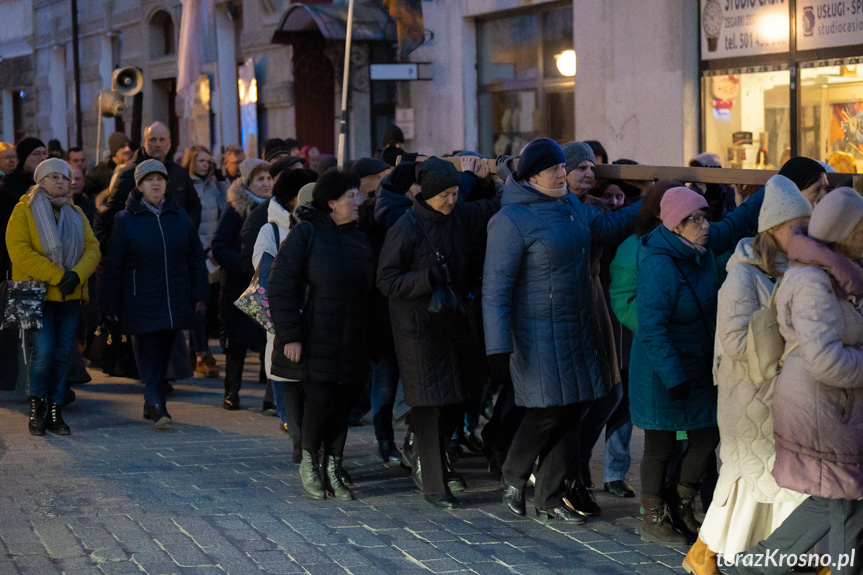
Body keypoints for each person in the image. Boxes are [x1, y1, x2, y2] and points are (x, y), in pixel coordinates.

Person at [482, 138, 640, 522]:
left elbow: (608, 225)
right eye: (554, 168)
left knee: (575, 409)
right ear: (534, 175)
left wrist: (651, 204)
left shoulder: (570, 206)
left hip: (578, 326)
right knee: (546, 409)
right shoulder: (510, 219)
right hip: (536, 334)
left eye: (560, 166)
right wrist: (497, 348)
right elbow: (495, 288)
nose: (561, 173)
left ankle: (549, 496)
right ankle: (514, 471)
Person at [683, 175, 813, 574]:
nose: (805, 235)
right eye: (797, 228)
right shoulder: (741, 276)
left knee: (777, 483)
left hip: (779, 394)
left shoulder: (794, 269)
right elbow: (735, 341)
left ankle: (801, 556)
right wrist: (786, 334)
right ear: (773, 230)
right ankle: (705, 554)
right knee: (745, 481)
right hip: (746, 397)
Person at [735, 187, 863, 575]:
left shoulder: (840, 273)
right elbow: (825, 360)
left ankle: (756, 564)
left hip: (835, 405)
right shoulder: (812, 283)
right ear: (847, 232)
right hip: (821, 407)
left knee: (843, 498)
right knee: (846, 499)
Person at [631, 183, 763, 547]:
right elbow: (653, 328)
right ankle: (654, 518)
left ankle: (682, 502)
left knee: (708, 435)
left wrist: (777, 187)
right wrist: (673, 377)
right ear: (676, 225)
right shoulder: (658, 264)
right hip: (662, 370)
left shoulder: (698, 247)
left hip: (697, 363)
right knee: (660, 446)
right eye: (697, 220)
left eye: (705, 217)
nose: (706, 225)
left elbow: (736, 223)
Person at [378, 157, 500, 509]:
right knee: (430, 406)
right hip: (419, 329)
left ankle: (426, 457)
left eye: (455, 192)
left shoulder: (459, 215)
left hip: (455, 324)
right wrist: (427, 277)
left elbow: (491, 208)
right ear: (429, 194)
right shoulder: (405, 228)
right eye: (446, 194)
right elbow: (385, 279)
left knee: (456, 399)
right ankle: (435, 485)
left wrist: (496, 183)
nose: (452, 199)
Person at [268, 170, 373, 501]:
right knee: (320, 403)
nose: (357, 202)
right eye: (350, 197)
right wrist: (290, 336)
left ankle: (334, 466)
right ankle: (310, 463)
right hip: (316, 336)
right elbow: (281, 285)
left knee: (343, 407)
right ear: (331, 203)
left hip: (353, 337)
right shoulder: (307, 234)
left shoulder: (361, 239)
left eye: (357, 195)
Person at [102, 159, 208, 429]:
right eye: (149, 179)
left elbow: (195, 257)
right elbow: (114, 265)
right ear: (139, 186)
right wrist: (110, 305)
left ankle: (152, 402)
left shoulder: (179, 215)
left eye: (160, 178)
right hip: (139, 298)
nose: (156, 183)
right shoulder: (126, 220)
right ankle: (158, 404)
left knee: (163, 351)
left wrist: (199, 293)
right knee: (148, 350)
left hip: (174, 297)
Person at [5, 158, 100, 435]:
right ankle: (37, 406)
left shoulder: (76, 213)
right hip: (34, 294)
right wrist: (61, 276)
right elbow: (20, 251)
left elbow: (93, 249)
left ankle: (56, 409)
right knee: (43, 352)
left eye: (64, 177)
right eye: (53, 177)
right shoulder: (23, 210)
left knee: (61, 355)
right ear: (40, 181)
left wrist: (77, 275)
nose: (60, 182)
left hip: (69, 296)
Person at [252, 168, 317, 454]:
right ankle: (295, 434)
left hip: (316, 317)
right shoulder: (271, 230)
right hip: (284, 317)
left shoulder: (320, 227)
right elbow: (264, 277)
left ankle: (307, 439)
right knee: (287, 378)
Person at [212, 158, 271, 410]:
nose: (266, 183)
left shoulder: (275, 210)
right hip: (238, 286)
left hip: (265, 285)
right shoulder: (235, 209)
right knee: (236, 344)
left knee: (268, 341)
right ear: (248, 183)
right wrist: (246, 265)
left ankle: (271, 399)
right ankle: (231, 392)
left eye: (269, 178)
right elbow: (219, 246)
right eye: (260, 179)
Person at [101, 122, 202, 243]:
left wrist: (186, 231)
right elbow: (113, 213)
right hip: (140, 251)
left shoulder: (180, 173)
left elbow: (194, 205)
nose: (157, 144)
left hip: (177, 247)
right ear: (144, 141)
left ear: (169, 142)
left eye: (162, 139)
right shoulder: (129, 174)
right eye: (153, 140)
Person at [181, 145, 227, 378]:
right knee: (198, 305)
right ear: (191, 161)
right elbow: (188, 222)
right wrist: (203, 249)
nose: (206, 164)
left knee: (210, 306)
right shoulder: (186, 186)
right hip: (197, 254)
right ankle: (200, 354)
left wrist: (220, 176)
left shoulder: (211, 185)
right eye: (201, 160)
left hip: (214, 254)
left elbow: (226, 207)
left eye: (208, 161)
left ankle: (196, 351)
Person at [1, 138, 48, 277]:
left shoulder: (49, 183)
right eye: (36, 154)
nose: (42, 158)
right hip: (19, 259)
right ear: (23, 157)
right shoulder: (8, 186)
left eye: (45, 153)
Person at [83, 132, 131, 198]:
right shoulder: (101, 171)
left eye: (128, 145)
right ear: (114, 150)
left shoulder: (132, 168)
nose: (128, 149)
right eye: (123, 146)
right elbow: (86, 191)